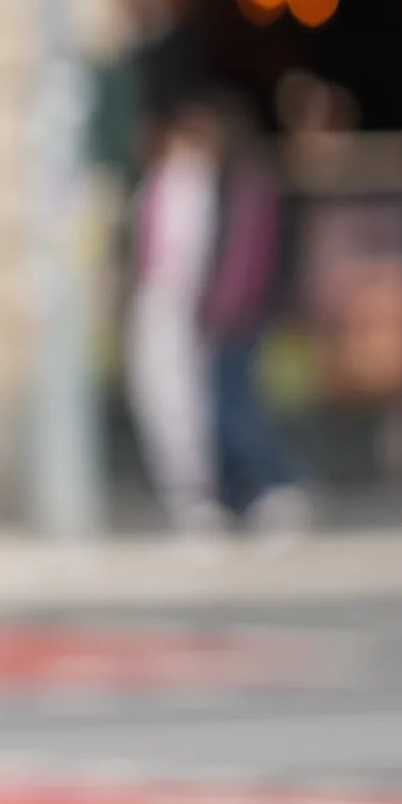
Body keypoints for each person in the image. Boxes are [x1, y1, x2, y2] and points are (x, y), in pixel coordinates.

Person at [199, 93, 308, 537]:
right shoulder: (238, 182)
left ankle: (278, 484)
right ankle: (240, 494)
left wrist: (222, 308)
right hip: (238, 311)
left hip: (239, 313)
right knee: (227, 403)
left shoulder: (246, 187)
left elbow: (244, 261)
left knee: (234, 405)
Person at [125, 91, 228, 538]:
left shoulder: (192, 182)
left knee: (182, 401)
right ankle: (182, 494)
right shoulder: (159, 181)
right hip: (156, 300)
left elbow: (186, 253)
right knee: (158, 396)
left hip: (177, 302)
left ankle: (195, 496)